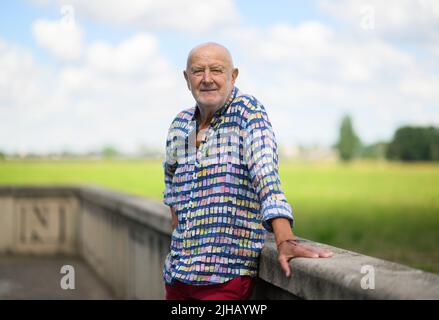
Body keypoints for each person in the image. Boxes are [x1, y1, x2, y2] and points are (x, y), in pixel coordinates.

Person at [162, 42, 333, 300]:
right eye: (198, 71)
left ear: (233, 75)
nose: (207, 79)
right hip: (177, 276)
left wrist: (284, 238)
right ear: (187, 79)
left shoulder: (247, 112)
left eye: (217, 70)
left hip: (225, 279)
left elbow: (265, 174)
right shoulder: (180, 124)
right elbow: (171, 180)